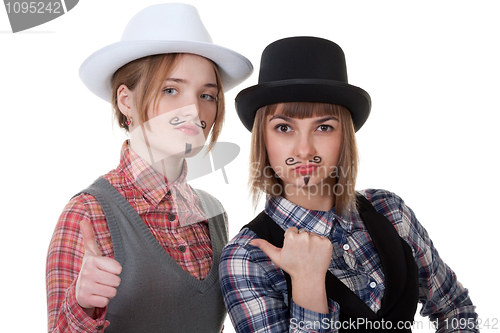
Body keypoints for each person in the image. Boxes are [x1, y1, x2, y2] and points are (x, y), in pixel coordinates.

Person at [219, 36, 478, 332]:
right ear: (262, 140)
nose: (304, 149)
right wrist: (307, 280)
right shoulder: (248, 256)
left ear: (345, 137)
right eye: (284, 128)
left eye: (324, 127)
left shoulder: (389, 210)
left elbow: (455, 308)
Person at [46, 3, 252, 332]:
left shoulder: (214, 213)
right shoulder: (88, 213)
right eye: (171, 90)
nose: (194, 109)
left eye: (207, 95)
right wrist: (81, 303)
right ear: (126, 100)